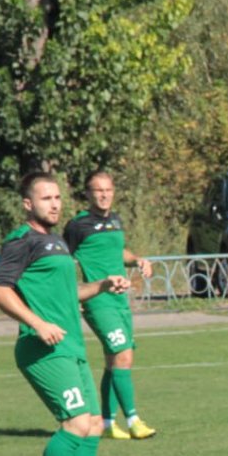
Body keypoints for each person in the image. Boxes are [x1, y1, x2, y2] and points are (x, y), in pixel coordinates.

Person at [0, 172, 129, 456]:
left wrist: (101, 285)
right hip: (42, 348)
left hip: (71, 346)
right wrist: (37, 324)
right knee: (76, 422)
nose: (54, 204)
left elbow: (68, 296)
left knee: (94, 425)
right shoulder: (21, 241)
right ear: (28, 204)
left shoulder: (57, 242)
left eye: (57, 198)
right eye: (45, 198)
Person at [63, 170, 157, 439]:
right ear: (88, 193)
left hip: (119, 300)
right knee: (123, 355)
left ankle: (106, 423)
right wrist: (74, 294)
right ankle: (134, 420)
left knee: (114, 361)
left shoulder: (115, 220)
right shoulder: (78, 225)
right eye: (98, 190)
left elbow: (118, 251)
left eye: (108, 190)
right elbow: (62, 261)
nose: (103, 195)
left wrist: (138, 260)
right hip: (98, 300)